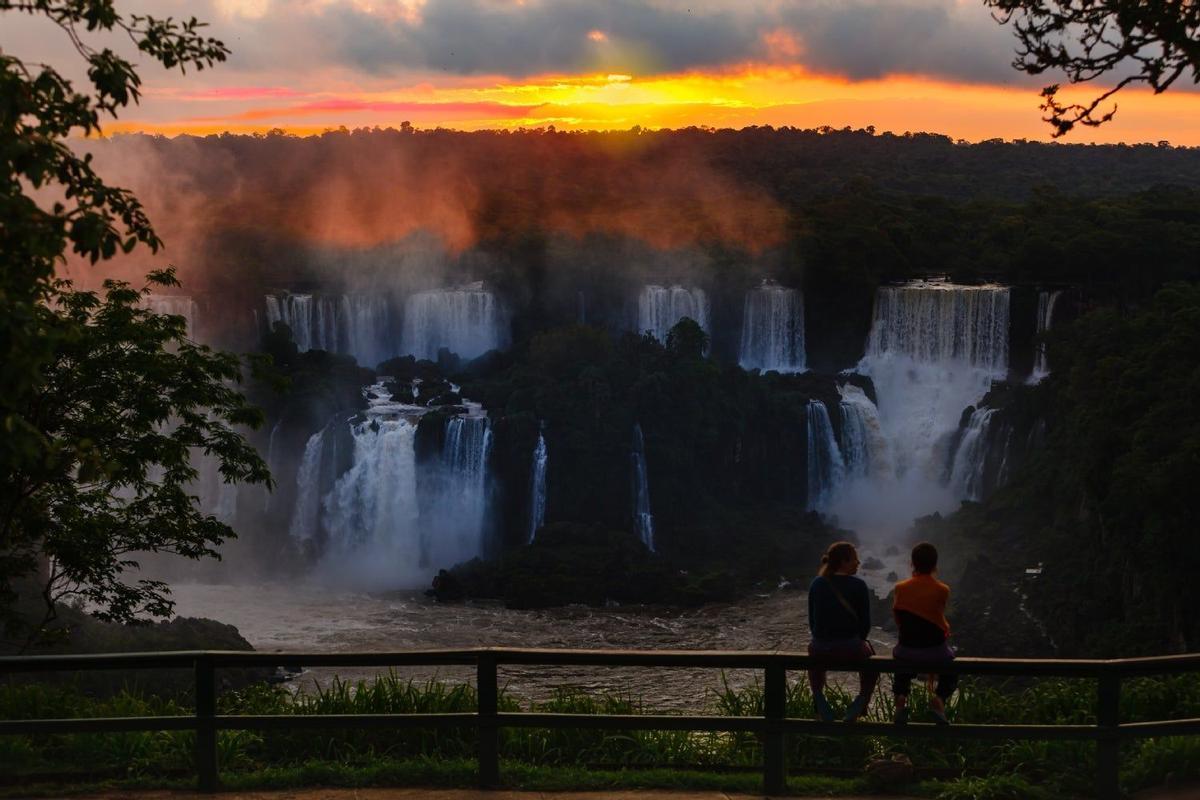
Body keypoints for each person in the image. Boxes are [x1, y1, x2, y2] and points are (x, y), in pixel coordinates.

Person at [807, 541, 878, 722]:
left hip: (820, 648)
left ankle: (818, 699)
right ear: (844, 561)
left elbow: (812, 621)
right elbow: (865, 624)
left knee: (814, 657)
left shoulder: (817, 584)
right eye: (855, 559)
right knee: (873, 663)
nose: (858, 562)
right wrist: (858, 640)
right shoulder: (859, 585)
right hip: (851, 647)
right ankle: (861, 702)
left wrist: (823, 638)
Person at [891, 542, 957, 725]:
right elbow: (937, 616)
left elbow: (899, 620)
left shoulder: (900, 588)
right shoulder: (943, 590)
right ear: (935, 565)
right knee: (951, 670)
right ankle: (940, 699)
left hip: (907, 649)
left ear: (912, 563)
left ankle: (901, 698)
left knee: (901, 666)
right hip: (935, 651)